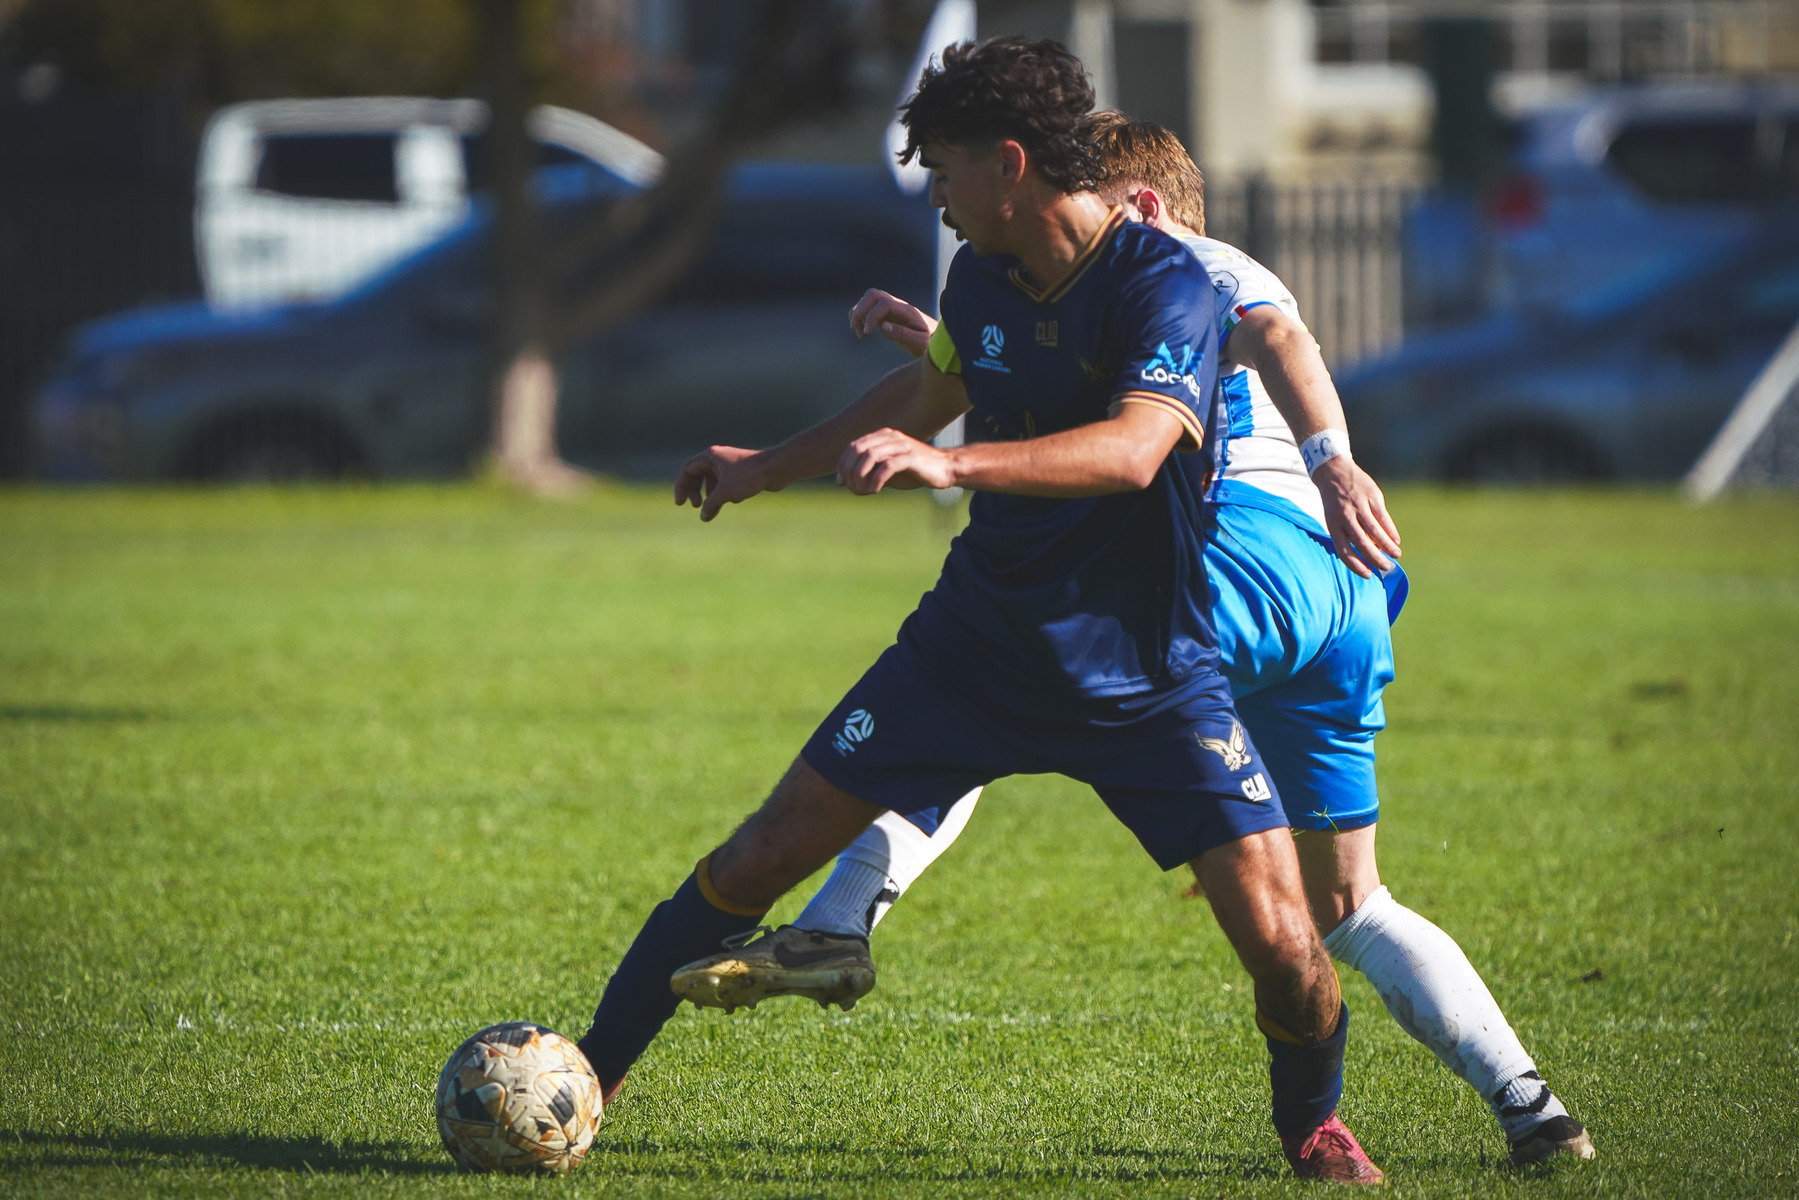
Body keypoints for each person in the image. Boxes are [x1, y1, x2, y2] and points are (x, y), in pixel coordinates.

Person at [672, 113, 1595, 1171]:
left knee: (999, 671)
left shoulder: (1177, 262)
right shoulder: (1126, 304)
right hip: (1347, 601)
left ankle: (838, 920)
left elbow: (1252, 347)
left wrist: (1334, 457)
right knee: (1349, 905)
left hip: (1246, 560)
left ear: (1140, 207)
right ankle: (1533, 1112)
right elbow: (1062, 373)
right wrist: (946, 334)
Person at [577, 39, 1383, 1184]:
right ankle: (588, 1079)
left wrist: (952, 470)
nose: (936, 196)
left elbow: (1134, 446)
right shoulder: (980, 279)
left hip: (1147, 672)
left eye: (945, 169)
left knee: (1289, 952)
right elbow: (924, 392)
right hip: (971, 652)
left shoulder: (1169, 282)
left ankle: (1310, 1125)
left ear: (1010, 165)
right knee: (757, 856)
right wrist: (770, 463)